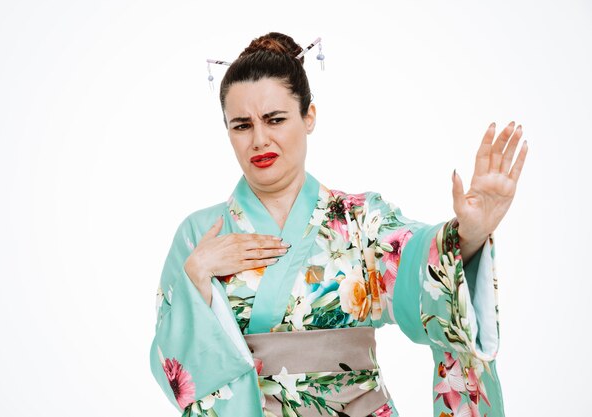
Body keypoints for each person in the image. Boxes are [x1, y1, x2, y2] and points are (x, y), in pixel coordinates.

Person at [149, 32, 528, 417]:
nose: (259, 140)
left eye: (274, 119)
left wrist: (470, 235)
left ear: (308, 116)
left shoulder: (360, 221)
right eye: (241, 125)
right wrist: (196, 275)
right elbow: (174, 371)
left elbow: (417, 263)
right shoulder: (200, 235)